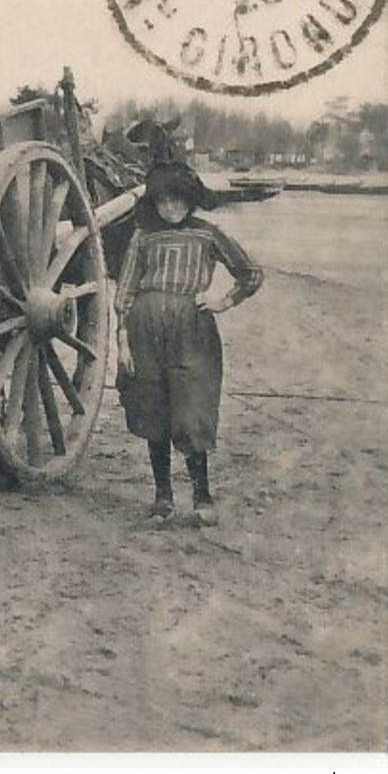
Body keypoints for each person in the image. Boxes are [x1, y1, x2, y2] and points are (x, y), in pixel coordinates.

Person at [115, 162, 264, 526]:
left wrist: (222, 302)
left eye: (178, 200)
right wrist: (122, 341)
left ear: (191, 200)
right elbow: (125, 291)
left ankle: (202, 496)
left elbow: (251, 273)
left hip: (192, 331)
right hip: (143, 328)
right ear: (154, 203)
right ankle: (163, 498)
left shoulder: (208, 234)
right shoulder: (142, 237)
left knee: (192, 407)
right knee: (152, 407)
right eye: (163, 201)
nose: (171, 209)